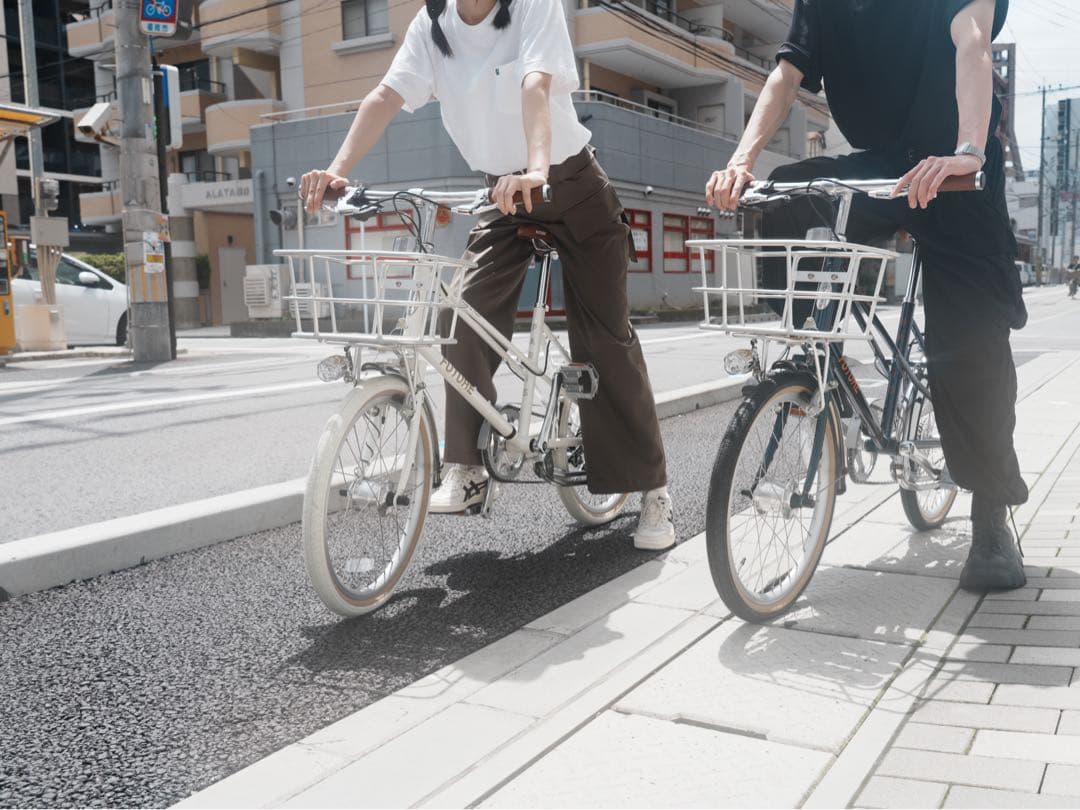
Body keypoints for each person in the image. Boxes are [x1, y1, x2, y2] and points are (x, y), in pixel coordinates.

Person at [300, 0, 675, 549]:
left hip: (571, 188)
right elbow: (386, 95)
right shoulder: (432, 27)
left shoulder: (531, 6)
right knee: (459, 317)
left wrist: (538, 169)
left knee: (604, 341)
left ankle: (653, 491)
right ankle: (470, 470)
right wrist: (337, 172)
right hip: (502, 192)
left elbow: (536, 86)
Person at [706, 0, 1028, 591]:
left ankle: (990, 518)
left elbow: (972, 42)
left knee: (970, 346)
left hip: (956, 163)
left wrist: (970, 150)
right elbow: (787, 72)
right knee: (782, 194)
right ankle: (816, 356)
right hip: (884, 165)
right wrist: (741, 160)